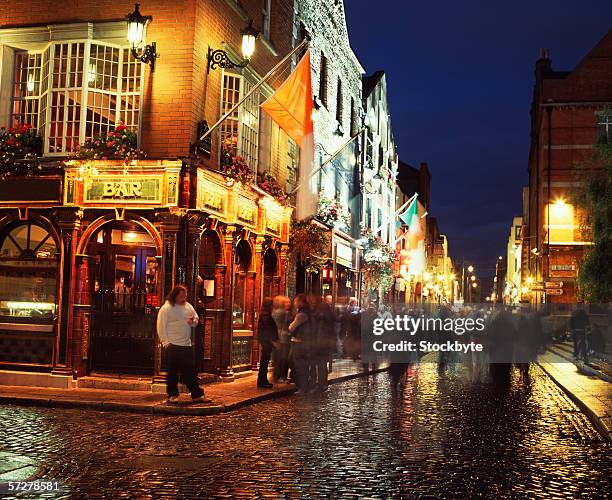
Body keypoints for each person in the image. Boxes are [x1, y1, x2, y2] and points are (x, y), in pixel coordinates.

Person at [156, 285, 206, 404]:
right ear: (175, 295)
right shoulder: (166, 308)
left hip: (186, 345)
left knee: (189, 371)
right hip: (172, 345)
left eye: (185, 295)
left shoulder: (188, 306)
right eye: (182, 296)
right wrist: (165, 342)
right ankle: (172, 394)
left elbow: (196, 319)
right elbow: (160, 326)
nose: (184, 298)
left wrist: (192, 322)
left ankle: (196, 394)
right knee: (172, 372)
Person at [288, 294, 312, 392]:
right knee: (300, 363)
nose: (294, 303)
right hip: (302, 341)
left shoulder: (302, 313)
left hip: (299, 342)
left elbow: (291, 327)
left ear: (301, 302)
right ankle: (302, 384)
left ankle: (302, 385)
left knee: (300, 364)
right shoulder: (306, 311)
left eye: (296, 301)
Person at [257, 297, 279, 388]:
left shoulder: (265, 314)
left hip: (266, 341)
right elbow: (268, 330)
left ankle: (262, 381)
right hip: (267, 342)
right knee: (264, 362)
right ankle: (262, 381)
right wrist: (273, 340)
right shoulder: (266, 315)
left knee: (264, 362)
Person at [272, 295, 291, 382]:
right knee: (282, 357)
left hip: (276, 336)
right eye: (286, 302)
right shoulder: (283, 312)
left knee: (277, 357)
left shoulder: (274, 311)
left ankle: (277, 375)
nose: (289, 304)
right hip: (283, 337)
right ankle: (280, 376)